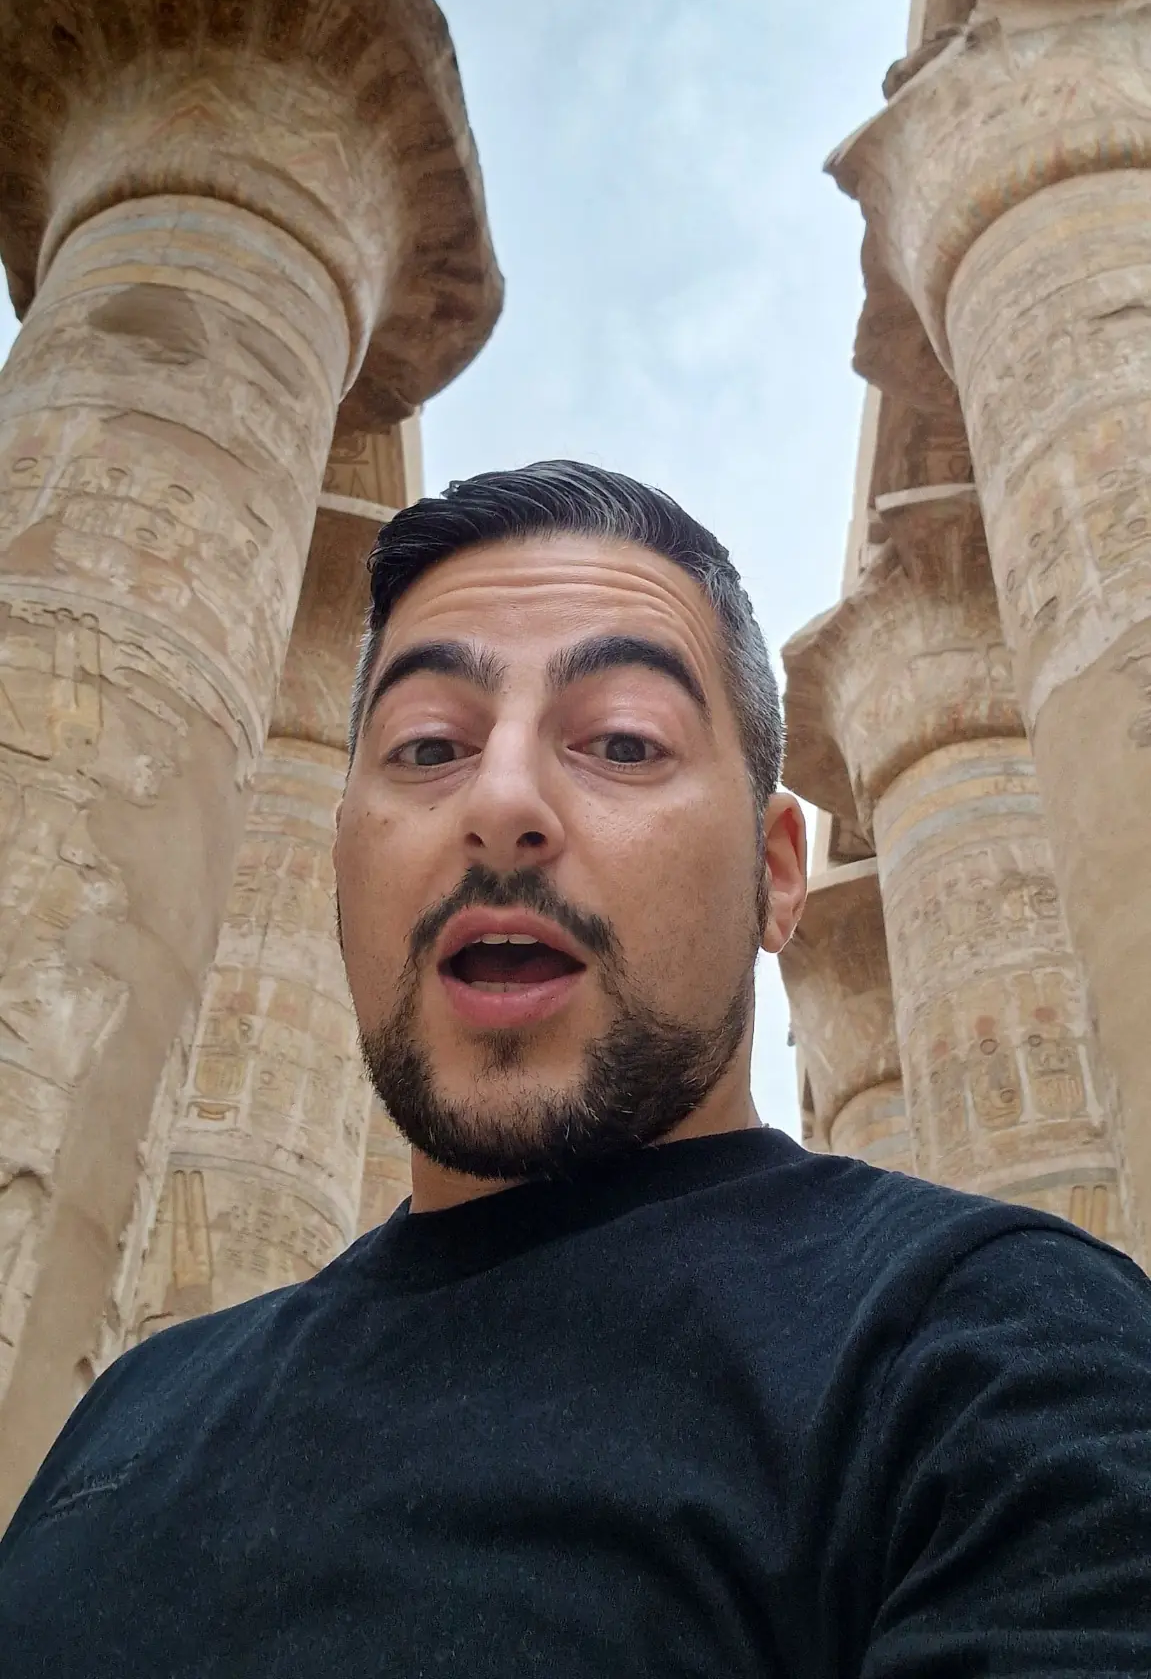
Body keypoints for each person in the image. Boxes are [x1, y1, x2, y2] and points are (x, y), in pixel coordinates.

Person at [1, 459, 1150, 1677]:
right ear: (333, 850)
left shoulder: (986, 1345)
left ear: (774, 872)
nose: (500, 799)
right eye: (428, 745)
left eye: (618, 740)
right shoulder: (141, 1400)